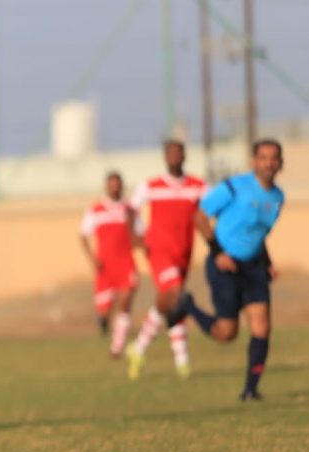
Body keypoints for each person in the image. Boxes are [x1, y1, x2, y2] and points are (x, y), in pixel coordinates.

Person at [167, 139, 284, 401]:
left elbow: (257, 234)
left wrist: (268, 263)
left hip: (254, 268)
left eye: (274, 158)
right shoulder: (234, 187)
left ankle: (250, 390)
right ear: (254, 161)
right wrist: (218, 252)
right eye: (263, 157)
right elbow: (200, 217)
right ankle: (188, 306)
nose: (268, 163)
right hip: (225, 266)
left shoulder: (278, 198)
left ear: (280, 163)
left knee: (261, 327)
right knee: (226, 333)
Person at [126, 140, 206, 380]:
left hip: (184, 252)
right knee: (173, 291)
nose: (174, 156)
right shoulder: (151, 186)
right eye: (170, 153)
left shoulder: (197, 186)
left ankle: (169, 357)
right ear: (165, 157)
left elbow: (214, 207)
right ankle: (164, 353)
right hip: (159, 249)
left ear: (185, 156)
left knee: (175, 301)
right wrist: (135, 236)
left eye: (178, 152)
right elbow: (130, 209)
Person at [79, 171, 140, 357]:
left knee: (126, 301)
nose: (115, 188)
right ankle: (103, 320)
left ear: (122, 186)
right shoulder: (96, 210)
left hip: (126, 263)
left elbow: (138, 236)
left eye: (117, 184)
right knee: (105, 311)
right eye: (111, 184)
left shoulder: (130, 209)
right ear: (106, 187)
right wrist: (93, 259)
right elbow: (83, 236)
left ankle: (117, 346)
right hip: (104, 267)